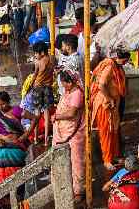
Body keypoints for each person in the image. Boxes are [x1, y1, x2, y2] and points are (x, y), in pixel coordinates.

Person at [92, 50, 129, 171]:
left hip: (113, 104)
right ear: (119, 57)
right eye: (125, 60)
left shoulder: (116, 66)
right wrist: (109, 98)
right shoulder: (109, 66)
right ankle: (107, 160)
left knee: (114, 130)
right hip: (105, 105)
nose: (126, 62)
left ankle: (115, 155)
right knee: (106, 133)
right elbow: (101, 84)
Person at [0, 92, 31, 183]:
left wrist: (26, 135)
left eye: (3, 104)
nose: (1, 107)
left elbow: (34, 118)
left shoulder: (16, 111)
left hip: (15, 149)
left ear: (8, 102)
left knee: (18, 176)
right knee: (0, 180)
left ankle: (20, 195)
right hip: (0, 150)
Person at [52, 72, 85, 202]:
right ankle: (62, 185)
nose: (63, 85)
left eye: (64, 83)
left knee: (76, 162)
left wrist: (57, 117)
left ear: (69, 82)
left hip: (74, 134)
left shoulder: (77, 94)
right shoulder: (68, 92)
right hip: (61, 132)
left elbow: (72, 113)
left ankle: (78, 191)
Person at [29, 41, 55, 143]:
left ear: (42, 52)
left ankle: (35, 138)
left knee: (36, 113)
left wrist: (30, 84)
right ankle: (46, 139)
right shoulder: (52, 59)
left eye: (36, 53)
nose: (35, 55)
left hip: (38, 88)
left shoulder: (38, 63)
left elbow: (34, 76)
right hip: (48, 88)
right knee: (46, 113)